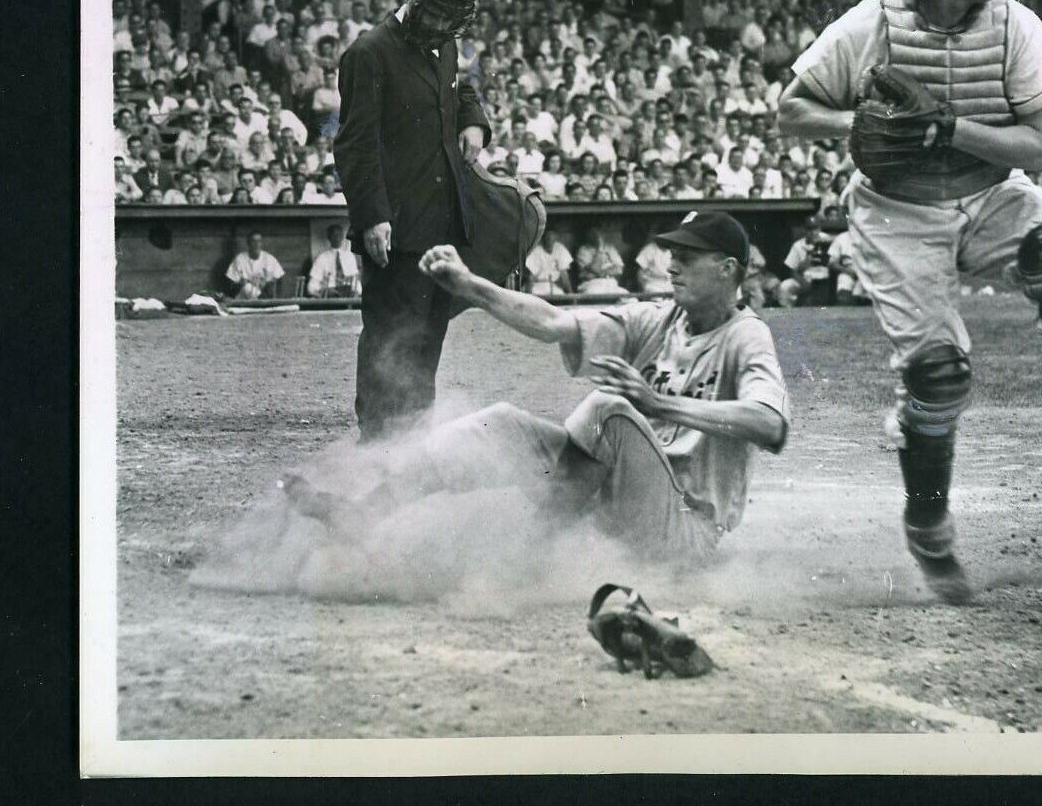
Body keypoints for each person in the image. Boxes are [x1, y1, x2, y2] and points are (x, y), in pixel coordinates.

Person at [777, 0, 1042, 605]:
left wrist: (947, 128)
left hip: (987, 193)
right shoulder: (872, 23)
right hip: (896, 211)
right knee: (939, 377)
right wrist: (861, 117)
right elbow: (791, 112)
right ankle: (930, 531)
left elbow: (1039, 146)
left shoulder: (1013, 25)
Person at [285, 212, 789, 565]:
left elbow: (771, 425)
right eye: (672, 252)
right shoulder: (658, 319)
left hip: (685, 528)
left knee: (607, 406)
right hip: (619, 506)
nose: (672, 263)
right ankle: (365, 514)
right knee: (499, 424)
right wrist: (470, 286)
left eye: (689, 256)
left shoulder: (747, 336)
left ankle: (536, 548)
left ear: (728, 270)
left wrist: (659, 404)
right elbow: (553, 321)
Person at [333, 0, 488, 440]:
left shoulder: (443, 45)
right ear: (411, 1)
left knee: (428, 334)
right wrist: (373, 217)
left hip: (442, 221)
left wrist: (474, 121)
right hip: (395, 225)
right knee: (389, 335)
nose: (442, 27)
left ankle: (416, 440)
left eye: (450, 19)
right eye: (435, 15)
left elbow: (458, 92)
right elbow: (355, 143)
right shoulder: (369, 52)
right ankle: (377, 441)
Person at [777, 216, 833, 307]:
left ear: (819, 229)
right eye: (809, 229)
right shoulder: (798, 245)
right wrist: (802, 282)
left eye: (815, 228)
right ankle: (787, 315)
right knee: (785, 286)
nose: (812, 232)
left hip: (824, 279)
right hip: (805, 278)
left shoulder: (827, 240)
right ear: (804, 230)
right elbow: (792, 270)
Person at [307, 223, 362, 298]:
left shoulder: (350, 257)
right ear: (329, 238)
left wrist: (358, 291)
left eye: (339, 235)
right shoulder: (322, 258)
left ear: (343, 237)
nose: (337, 238)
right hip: (330, 295)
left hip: (347, 295)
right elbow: (312, 285)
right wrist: (320, 292)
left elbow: (355, 280)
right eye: (334, 235)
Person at [225, 231, 285, 300]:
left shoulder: (269, 259)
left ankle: (259, 301)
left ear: (261, 243)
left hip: (264, 296)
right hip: (244, 297)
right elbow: (231, 282)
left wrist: (267, 283)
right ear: (248, 244)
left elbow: (279, 279)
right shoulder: (239, 259)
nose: (257, 244)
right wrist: (240, 284)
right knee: (247, 287)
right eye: (253, 241)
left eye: (259, 241)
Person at [525, 228, 575, 297]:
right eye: (547, 238)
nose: (549, 241)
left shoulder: (560, 248)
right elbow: (531, 278)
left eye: (552, 238)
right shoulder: (536, 251)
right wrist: (528, 296)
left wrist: (571, 294)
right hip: (538, 286)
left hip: (554, 286)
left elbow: (564, 276)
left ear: (555, 239)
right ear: (543, 239)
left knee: (560, 295)